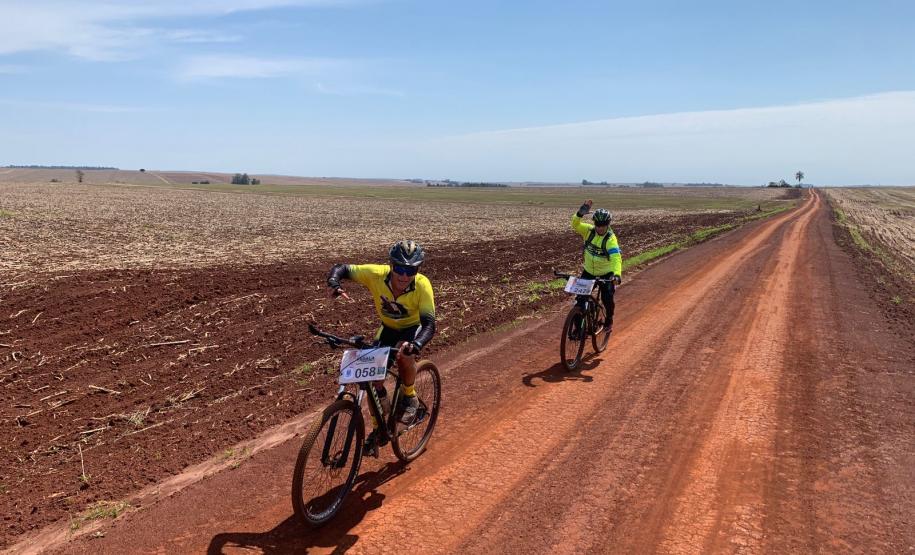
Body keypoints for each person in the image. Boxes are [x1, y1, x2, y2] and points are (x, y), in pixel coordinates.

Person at [325, 240, 436, 454]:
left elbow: (429, 324)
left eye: (411, 270)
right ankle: (379, 430)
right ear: (391, 265)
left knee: (404, 353)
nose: (404, 276)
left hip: (412, 328)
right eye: (400, 269)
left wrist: (416, 344)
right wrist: (334, 282)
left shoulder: (422, 285)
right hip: (387, 328)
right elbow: (342, 268)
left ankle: (410, 397)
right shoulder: (375, 274)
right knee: (373, 378)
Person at [570, 199, 622, 335]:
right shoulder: (588, 231)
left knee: (607, 298)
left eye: (603, 225)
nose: (600, 227)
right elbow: (575, 224)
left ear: (608, 224)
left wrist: (616, 274)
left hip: (606, 273)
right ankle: (579, 329)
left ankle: (609, 320)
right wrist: (580, 213)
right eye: (598, 224)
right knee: (579, 301)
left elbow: (616, 258)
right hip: (588, 271)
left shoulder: (610, 240)